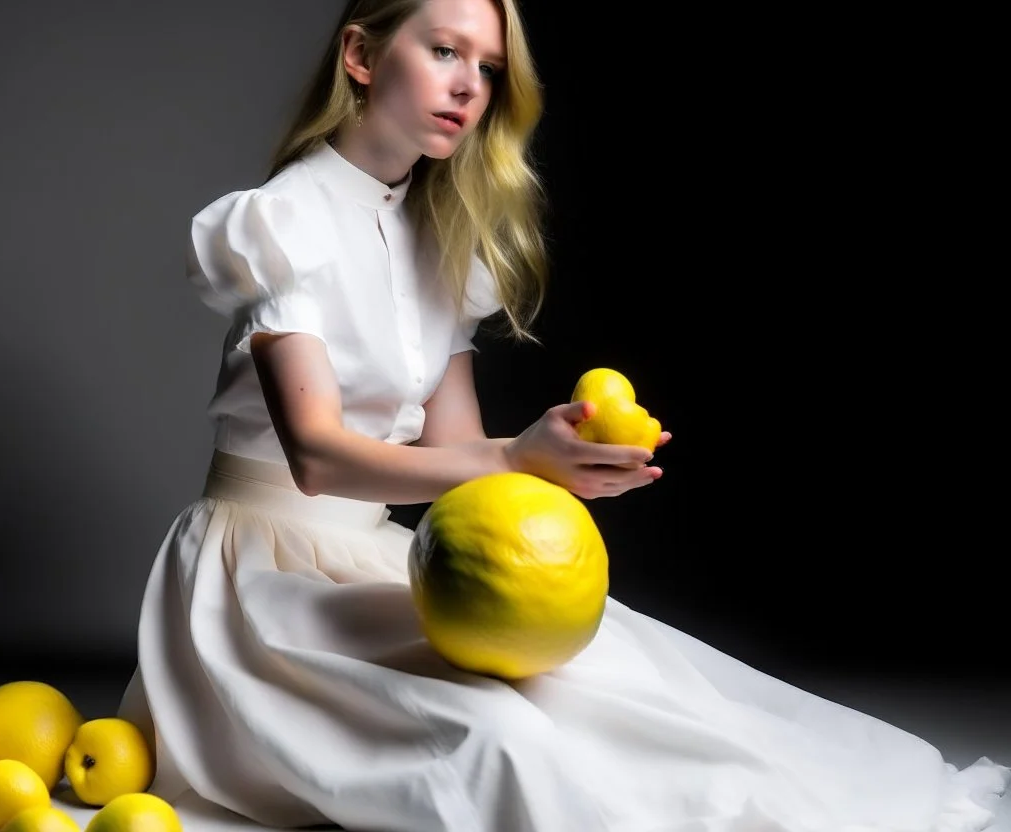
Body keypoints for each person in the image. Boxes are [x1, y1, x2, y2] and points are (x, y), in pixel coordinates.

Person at [116, 0, 1010, 829]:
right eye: (442, 50)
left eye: (489, 67)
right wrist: (514, 457)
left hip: (375, 554)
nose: (469, 84)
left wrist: (559, 458)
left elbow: (458, 452)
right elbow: (316, 457)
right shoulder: (285, 220)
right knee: (494, 743)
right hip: (258, 578)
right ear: (359, 55)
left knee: (626, 677)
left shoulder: (438, 241)